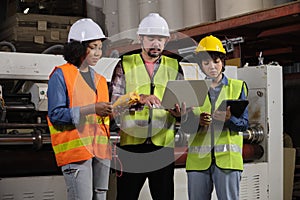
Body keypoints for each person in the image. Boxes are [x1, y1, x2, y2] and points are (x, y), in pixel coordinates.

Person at [110, 13, 186, 200]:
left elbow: (183, 108)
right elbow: (114, 107)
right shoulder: (126, 65)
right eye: (151, 39)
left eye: (160, 39)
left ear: (166, 41)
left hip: (163, 147)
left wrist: (179, 113)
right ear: (140, 39)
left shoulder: (175, 66)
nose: (156, 44)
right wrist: (138, 99)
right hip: (132, 147)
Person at [47, 18, 112, 200]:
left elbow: (102, 120)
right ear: (78, 48)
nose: (98, 53)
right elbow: (56, 115)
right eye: (93, 47)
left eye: (100, 47)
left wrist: (120, 109)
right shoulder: (61, 75)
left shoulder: (100, 80)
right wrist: (92, 108)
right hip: (77, 153)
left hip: (100, 153)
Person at [185, 35, 249, 200]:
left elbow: (244, 124)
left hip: (227, 161)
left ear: (223, 61)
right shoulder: (193, 89)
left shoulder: (237, 87)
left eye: (216, 61)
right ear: (201, 65)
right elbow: (185, 126)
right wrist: (196, 121)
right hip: (198, 161)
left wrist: (228, 120)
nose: (212, 67)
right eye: (206, 63)